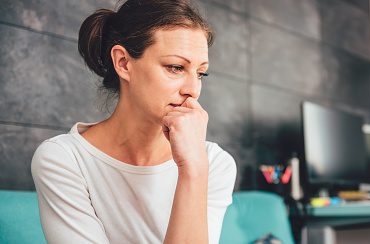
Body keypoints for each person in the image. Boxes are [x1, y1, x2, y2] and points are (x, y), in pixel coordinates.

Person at [30, 0, 236, 243]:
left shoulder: (213, 163)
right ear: (123, 63)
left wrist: (192, 170)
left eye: (201, 73)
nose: (193, 90)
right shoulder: (63, 160)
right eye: (176, 67)